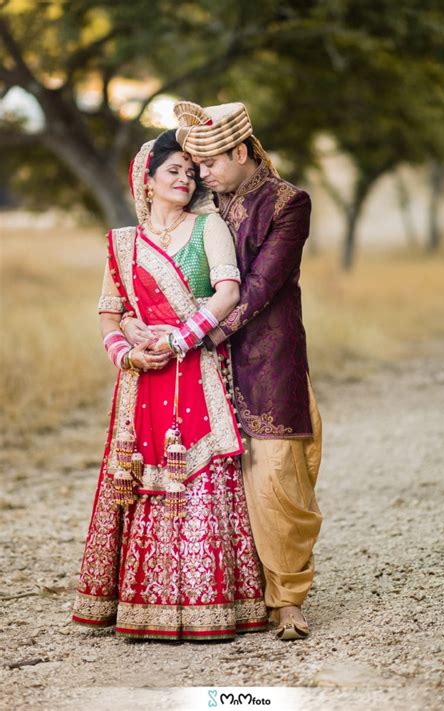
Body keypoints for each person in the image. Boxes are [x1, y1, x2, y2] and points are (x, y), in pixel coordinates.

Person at [122, 103, 323, 641]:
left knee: (276, 477)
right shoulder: (203, 203)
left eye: (207, 162)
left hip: (265, 361)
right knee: (213, 484)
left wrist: (194, 336)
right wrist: (138, 329)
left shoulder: (287, 203)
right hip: (197, 370)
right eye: (191, 165)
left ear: (239, 152)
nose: (197, 173)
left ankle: (286, 599)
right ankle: (234, 592)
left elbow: (258, 287)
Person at [72, 130, 267, 641]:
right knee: (141, 481)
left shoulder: (209, 228)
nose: (184, 178)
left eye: (190, 170)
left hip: (196, 371)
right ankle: (142, 609)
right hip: (142, 383)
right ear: (147, 179)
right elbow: (109, 315)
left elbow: (229, 291)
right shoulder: (123, 243)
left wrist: (181, 339)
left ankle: (213, 604)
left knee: (200, 476)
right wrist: (128, 350)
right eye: (173, 170)